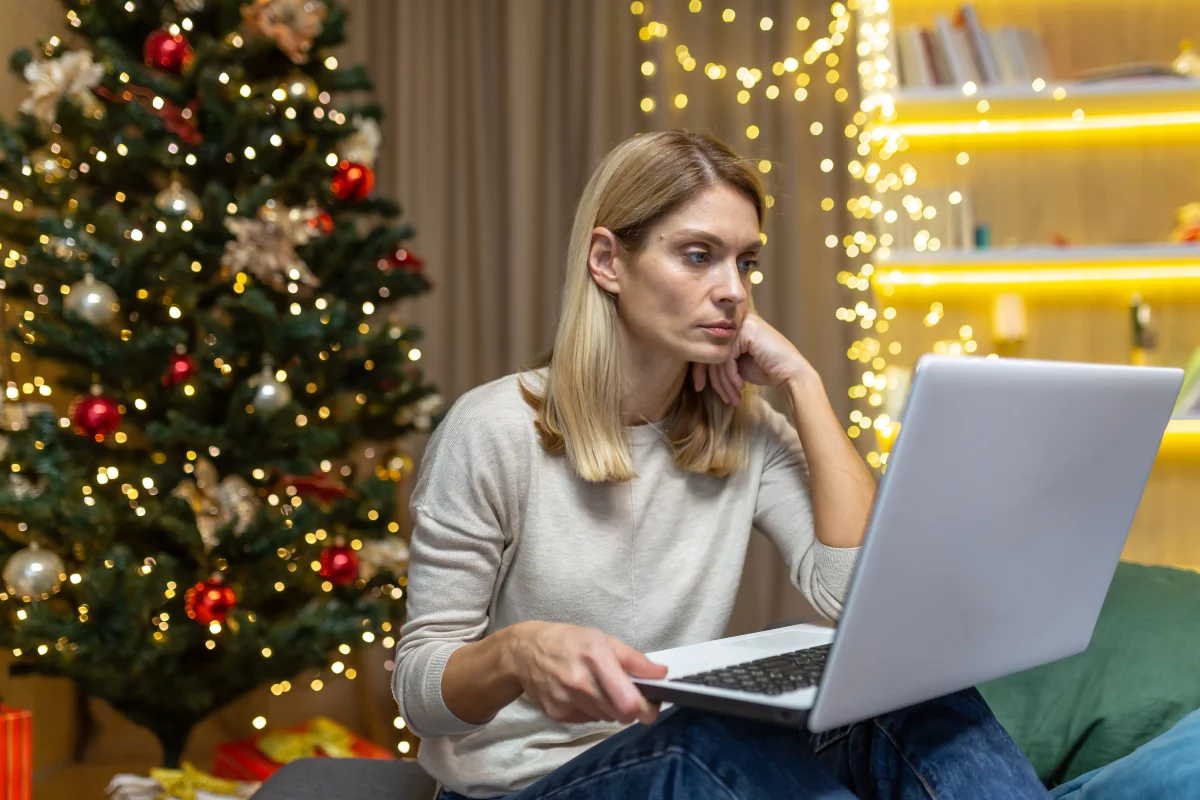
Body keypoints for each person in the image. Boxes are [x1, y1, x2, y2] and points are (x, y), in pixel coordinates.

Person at [393, 129, 1047, 800]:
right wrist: (517, 652)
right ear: (607, 262)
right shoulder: (492, 429)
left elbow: (859, 596)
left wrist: (803, 383)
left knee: (910, 693)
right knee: (707, 738)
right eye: (699, 256)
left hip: (686, 770)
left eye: (746, 263)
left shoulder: (746, 429)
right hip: (529, 788)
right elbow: (419, 690)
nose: (733, 290)